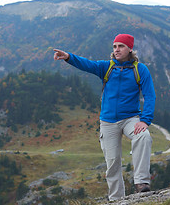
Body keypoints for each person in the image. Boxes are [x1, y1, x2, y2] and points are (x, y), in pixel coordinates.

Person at [53, 34, 156, 201]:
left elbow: (150, 96)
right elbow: (87, 64)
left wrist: (145, 120)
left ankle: (142, 183)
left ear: (130, 48)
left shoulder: (140, 69)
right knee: (113, 162)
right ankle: (117, 199)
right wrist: (68, 57)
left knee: (143, 137)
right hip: (108, 122)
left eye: (121, 46)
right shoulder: (106, 67)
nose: (116, 50)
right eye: (114, 46)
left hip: (131, 118)